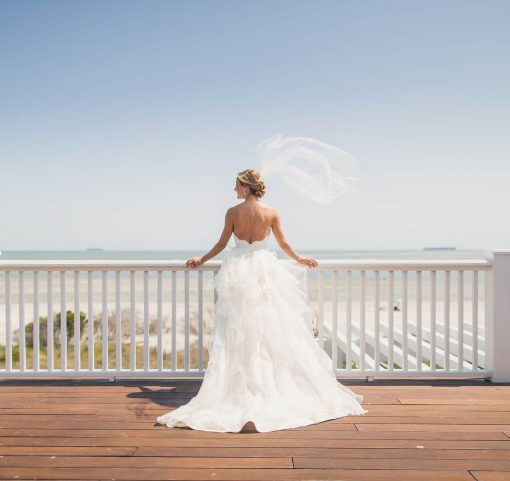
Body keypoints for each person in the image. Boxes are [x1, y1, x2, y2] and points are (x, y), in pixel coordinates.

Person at [156, 169, 366, 433]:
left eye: (236, 185)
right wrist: (300, 259)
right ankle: (267, 382)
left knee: (238, 331)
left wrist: (202, 260)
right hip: (264, 271)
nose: (233, 190)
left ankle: (243, 384)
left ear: (245, 187)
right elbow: (284, 243)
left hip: (238, 271)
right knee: (270, 329)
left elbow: (222, 244)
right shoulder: (272, 212)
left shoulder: (233, 213)